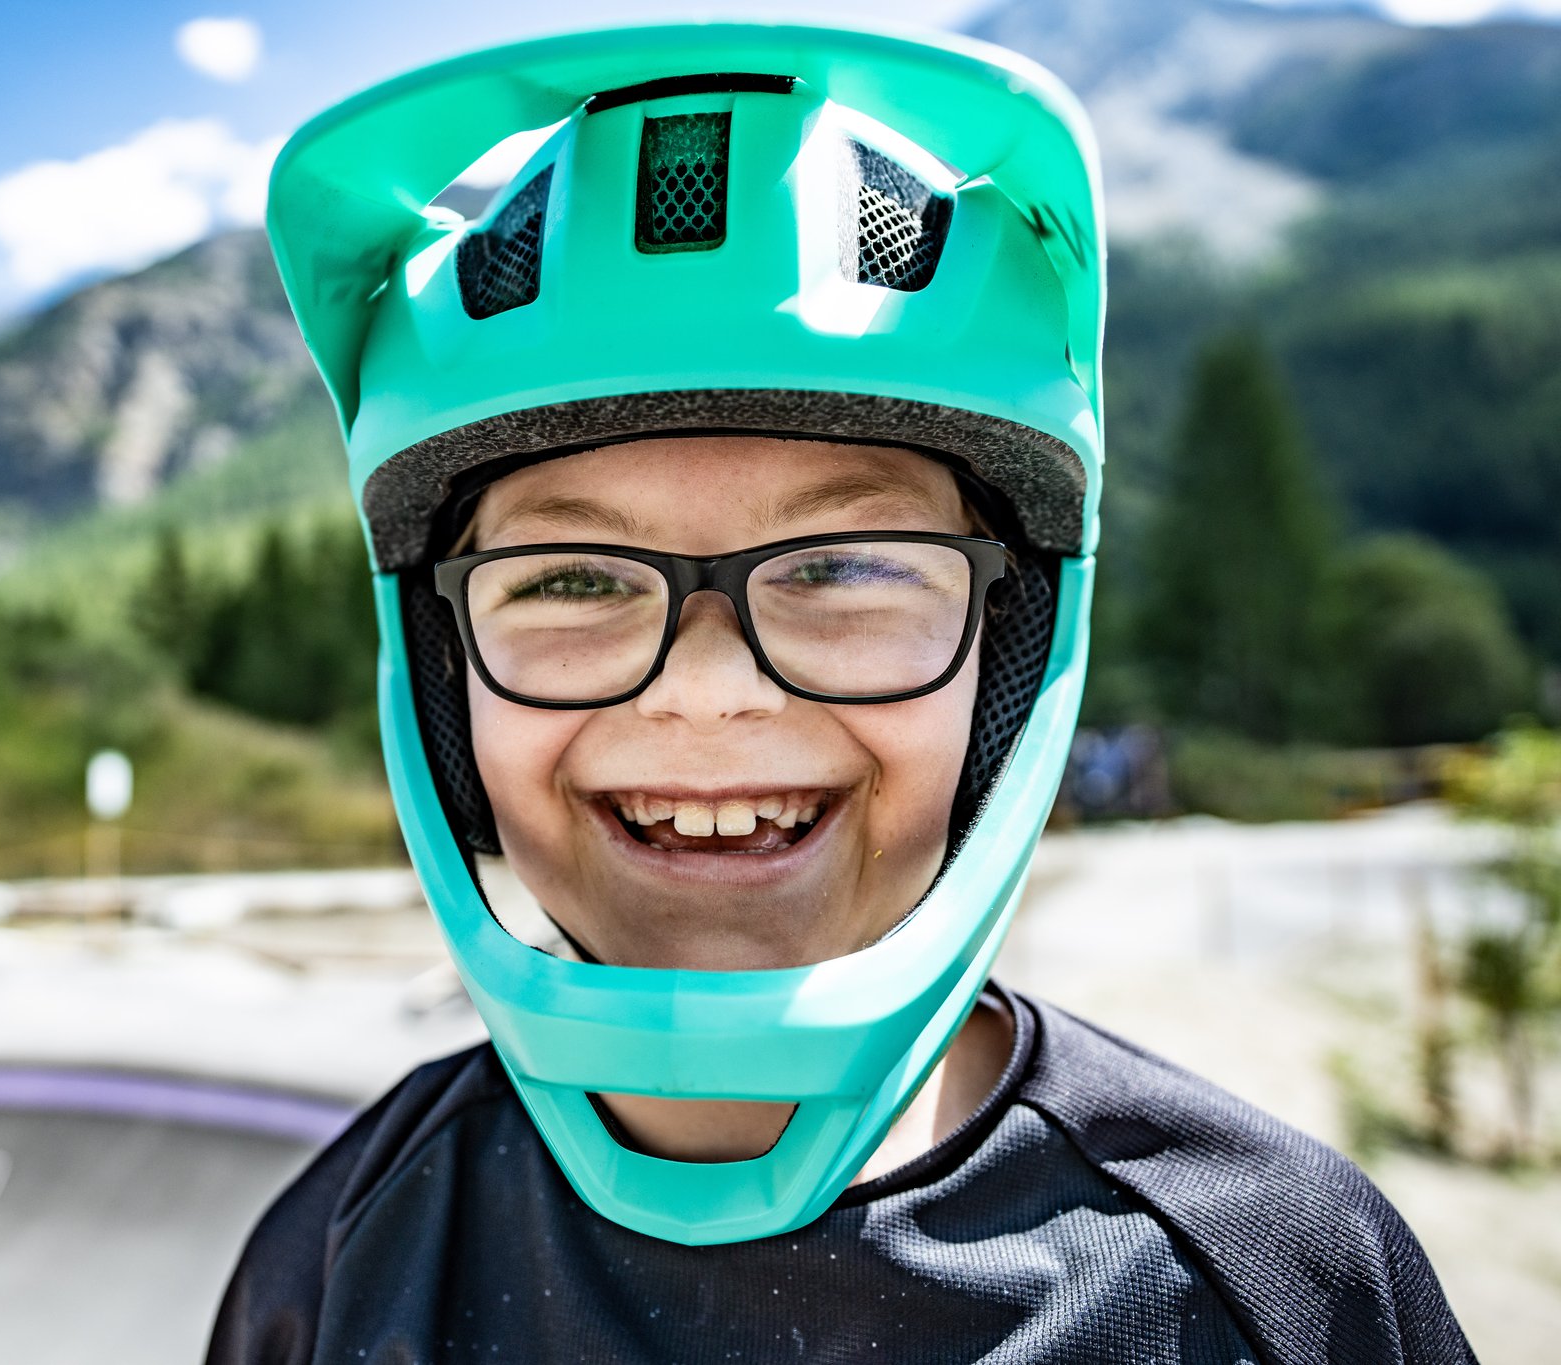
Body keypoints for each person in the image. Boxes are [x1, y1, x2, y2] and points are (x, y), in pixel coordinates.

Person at [211, 20, 1473, 1363]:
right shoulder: (336, 1265)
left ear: (1009, 646)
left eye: (848, 565)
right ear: (441, 665)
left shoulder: (1273, 1285)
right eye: (571, 579)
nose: (707, 692)